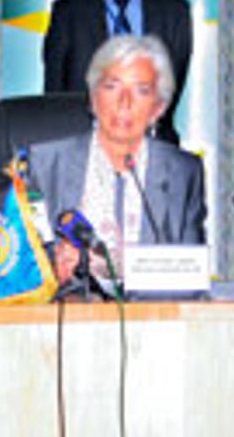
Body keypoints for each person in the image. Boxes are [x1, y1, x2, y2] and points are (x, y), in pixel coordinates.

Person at [29, 36, 206, 285]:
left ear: (159, 108)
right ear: (93, 97)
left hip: (152, 317)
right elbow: (16, 263)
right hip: (72, 314)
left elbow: (191, 274)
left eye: (141, 90)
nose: (124, 102)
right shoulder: (45, 165)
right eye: (112, 86)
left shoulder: (183, 172)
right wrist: (51, 267)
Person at [42, 0, 192, 144]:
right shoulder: (68, 13)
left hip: (153, 141)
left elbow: (174, 83)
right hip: (84, 143)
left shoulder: (174, 12)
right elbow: (54, 92)